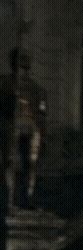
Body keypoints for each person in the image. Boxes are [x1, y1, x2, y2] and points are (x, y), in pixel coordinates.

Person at [0, 48, 46, 211]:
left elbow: (41, 114)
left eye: (27, 66)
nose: (24, 70)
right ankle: (8, 200)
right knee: (9, 164)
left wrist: (40, 132)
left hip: (30, 132)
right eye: (21, 65)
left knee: (29, 165)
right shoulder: (5, 84)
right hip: (10, 130)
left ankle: (26, 198)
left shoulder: (36, 89)